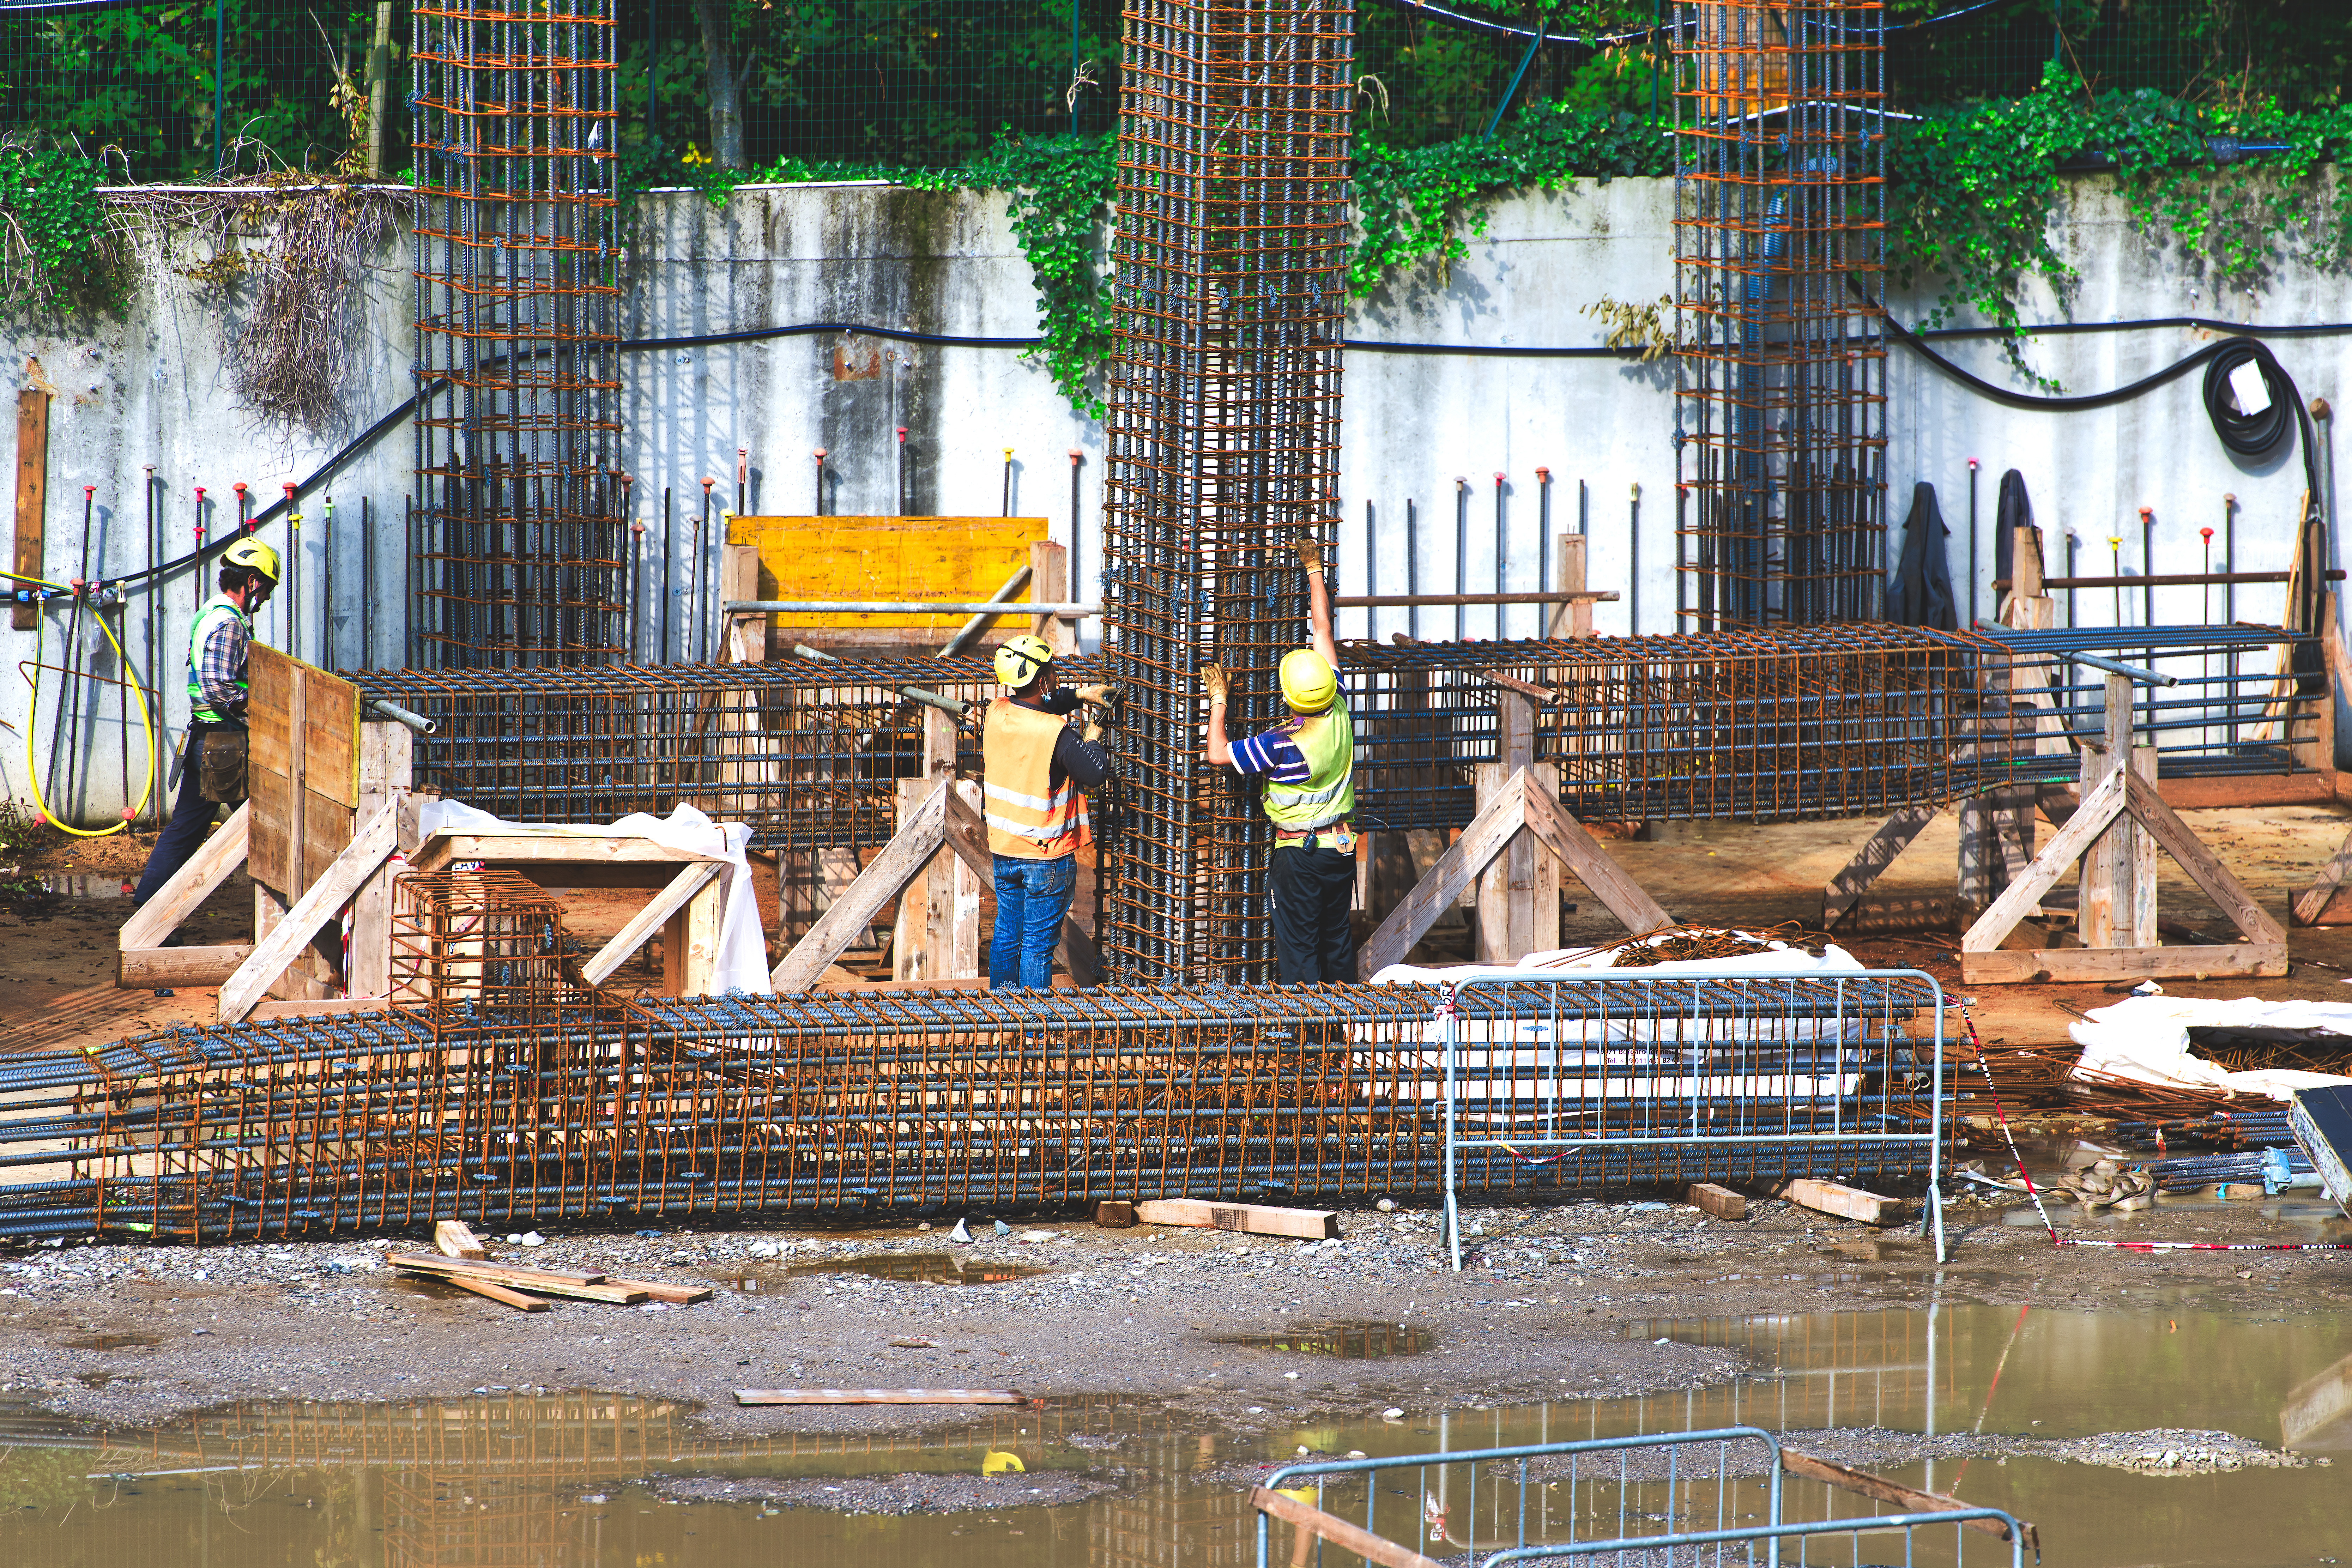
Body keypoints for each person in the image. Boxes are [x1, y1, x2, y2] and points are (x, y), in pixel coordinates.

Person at [1201, 538, 1357, 983]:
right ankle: (1344, 1037)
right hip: (1340, 850)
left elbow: (1216, 752)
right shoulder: (1341, 708)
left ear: (1287, 697)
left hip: (1299, 856)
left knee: (1299, 952)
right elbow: (1323, 630)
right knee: (1337, 944)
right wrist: (1313, 570)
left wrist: (1218, 702)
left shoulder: (1279, 744)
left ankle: (1309, 1045)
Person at [132, 538, 279, 909]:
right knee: (272, 822)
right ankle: (289, 910)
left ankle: (148, 904)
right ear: (252, 582)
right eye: (267, 588)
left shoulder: (209, 613)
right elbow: (219, 686)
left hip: (208, 738)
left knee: (186, 829)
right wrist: (265, 713)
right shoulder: (229, 623)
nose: (268, 597)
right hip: (223, 743)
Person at [979, 632, 1113, 988]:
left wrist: (1080, 695)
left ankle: (1005, 1018)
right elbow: (1095, 772)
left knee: (1007, 937)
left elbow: (1037, 707)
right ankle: (1034, 1033)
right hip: (1046, 857)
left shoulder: (996, 712)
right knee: (1037, 947)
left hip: (1005, 851)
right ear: (1042, 679)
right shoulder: (1057, 733)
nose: (1056, 676)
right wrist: (1095, 734)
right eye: (1053, 671)